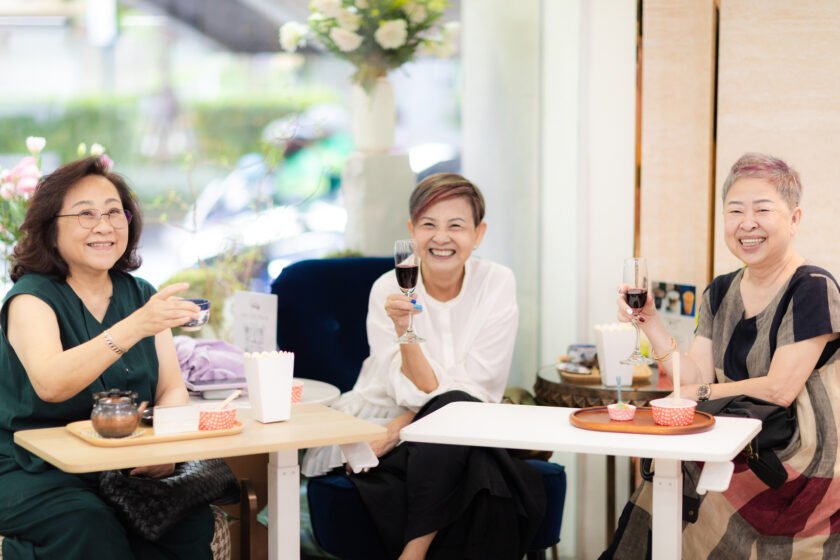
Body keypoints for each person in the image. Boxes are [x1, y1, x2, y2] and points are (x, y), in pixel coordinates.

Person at [605, 153, 840, 559]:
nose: (747, 223)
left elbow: (779, 390)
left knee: (679, 472)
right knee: (668, 473)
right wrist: (651, 322)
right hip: (739, 446)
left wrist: (699, 392)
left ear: (794, 219)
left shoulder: (812, 287)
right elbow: (693, 375)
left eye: (762, 210)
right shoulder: (720, 291)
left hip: (801, 463)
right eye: (735, 211)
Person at [302, 173, 545, 559]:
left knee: (468, 446)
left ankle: (413, 553)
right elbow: (408, 390)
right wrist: (405, 331)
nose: (441, 237)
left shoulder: (497, 282)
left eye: (456, 226)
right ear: (412, 230)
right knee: (482, 470)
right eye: (429, 224)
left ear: (479, 234)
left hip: (421, 429)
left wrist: (404, 425)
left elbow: (481, 387)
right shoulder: (389, 289)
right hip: (386, 422)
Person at [0, 157, 214, 559]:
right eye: (86, 214)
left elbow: (171, 389)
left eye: (115, 212)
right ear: (51, 229)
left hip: (119, 462)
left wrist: (164, 449)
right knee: (88, 525)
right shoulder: (31, 298)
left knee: (186, 523)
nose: (104, 226)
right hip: (30, 467)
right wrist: (134, 327)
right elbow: (51, 384)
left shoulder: (141, 294)